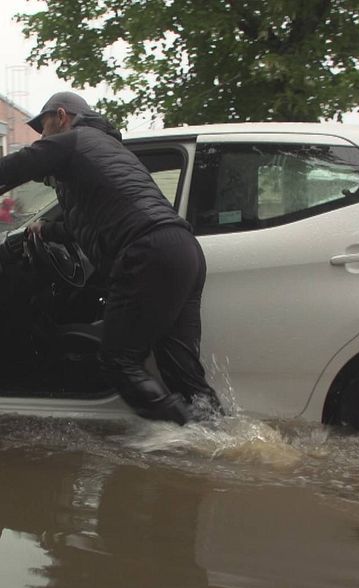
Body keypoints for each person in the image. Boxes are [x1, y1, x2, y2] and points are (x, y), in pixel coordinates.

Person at [0, 91, 222, 425]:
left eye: (43, 128)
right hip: (182, 250)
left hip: (147, 252)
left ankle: (186, 435)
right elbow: (83, 225)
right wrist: (45, 231)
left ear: (61, 117)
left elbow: (18, 165)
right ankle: (226, 439)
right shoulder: (106, 152)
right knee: (183, 373)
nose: (41, 137)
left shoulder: (74, 140)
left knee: (118, 360)